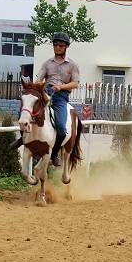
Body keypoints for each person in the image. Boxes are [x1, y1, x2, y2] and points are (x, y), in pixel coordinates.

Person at [12, 33, 80, 166]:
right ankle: (22, 139)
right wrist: (35, 86)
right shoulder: (47, 63)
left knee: (61, 126)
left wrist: (61, 87)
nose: (57, 47)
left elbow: (75, 83)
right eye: (55, 45)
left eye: (60, 45)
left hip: (61, 97)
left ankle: (54, 154)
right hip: (45, 93)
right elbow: (39, 79)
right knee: (25, 114)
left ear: (66, 47)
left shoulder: (72, 65)